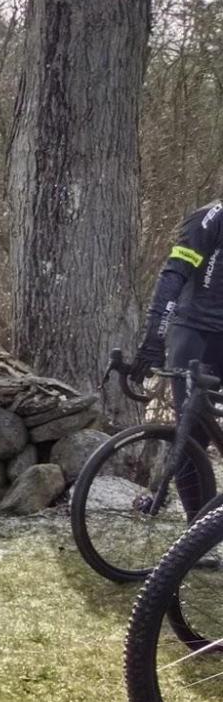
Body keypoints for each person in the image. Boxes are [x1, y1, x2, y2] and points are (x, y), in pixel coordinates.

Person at [136, 198, 223, 512]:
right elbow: (174, 275)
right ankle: (198, 530)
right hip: (195, 334)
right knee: (191, 435)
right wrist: (154, 338)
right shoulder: (210, 218)